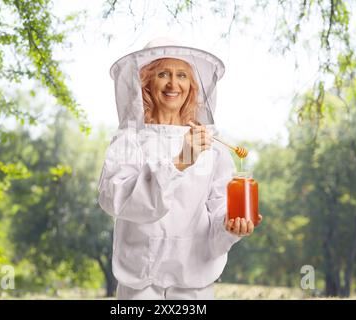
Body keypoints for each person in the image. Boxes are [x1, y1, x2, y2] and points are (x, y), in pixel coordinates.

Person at [98, 38, 262, 300]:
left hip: (194, 279)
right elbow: (113, 198)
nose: (174, 84)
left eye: (182, 75)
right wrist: (179, 163)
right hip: (140, 279)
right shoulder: (129, 140)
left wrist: (231, 225)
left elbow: (220, 203)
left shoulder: (211, 143)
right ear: (147, 82)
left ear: (192, 86)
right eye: (163, 74)